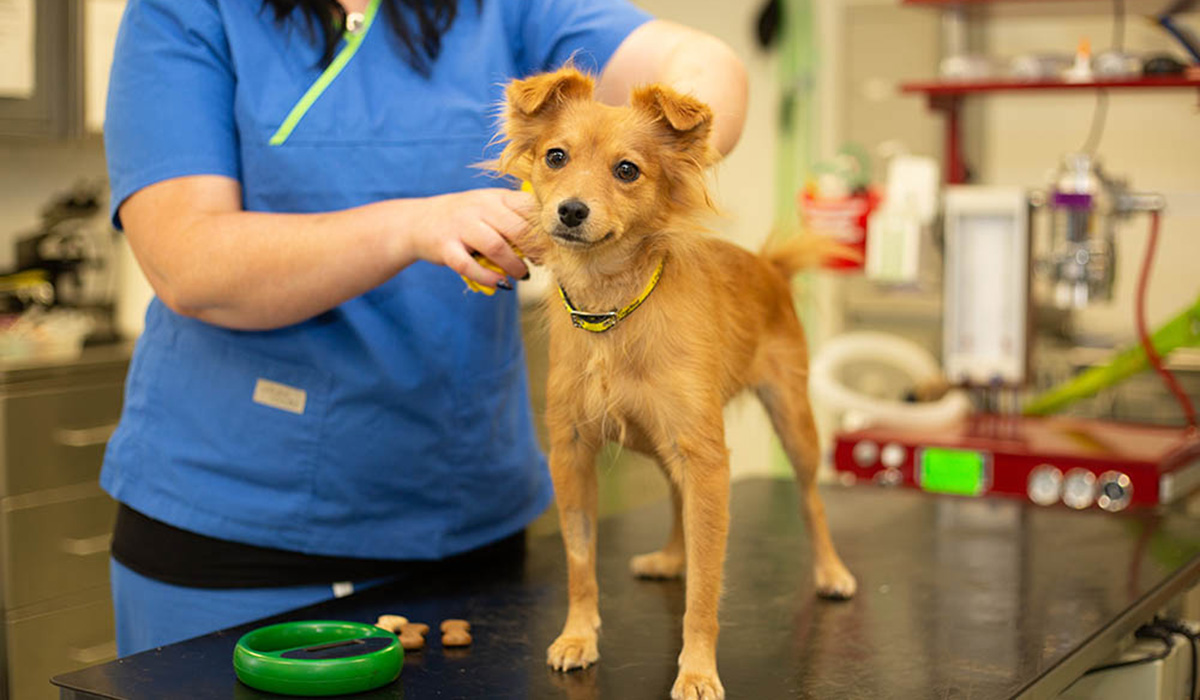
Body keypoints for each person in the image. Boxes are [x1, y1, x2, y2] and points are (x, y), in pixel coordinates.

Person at [103, 0, 747, 656]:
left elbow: (706, 63)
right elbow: (187, 262)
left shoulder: (498, 8)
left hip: (465, 529)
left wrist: (667, 163)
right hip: (231, 532)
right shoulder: (185, 10)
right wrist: (411, 227)